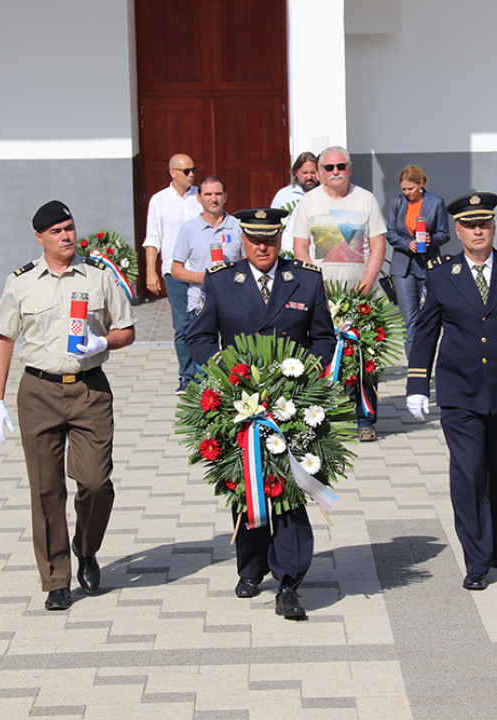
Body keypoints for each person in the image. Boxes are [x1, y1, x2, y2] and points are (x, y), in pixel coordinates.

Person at [0, 200, 137, 611]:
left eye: (69, 227)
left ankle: (86, 548)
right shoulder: (21, 282)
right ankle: (56, 579)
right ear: (40, 238)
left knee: (95, 483)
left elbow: (127, 330)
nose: (66, 236)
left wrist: (103, 341)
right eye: (55, 231)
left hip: (89, 390)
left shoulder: (99, 276)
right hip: (39, 391)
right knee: (46, 489)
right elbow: (3, 340)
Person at [187, 207, 336, 620]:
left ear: (280, 239)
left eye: (270, 239)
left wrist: (302, 373)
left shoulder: (305, 279)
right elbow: (198, 337)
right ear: (242, 240)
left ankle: (289, 580)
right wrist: (225, 369)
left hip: (291, 404)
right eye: (254, 240)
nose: (262, 247)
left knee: (288, 488)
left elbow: (324, 338)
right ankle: (251, 567)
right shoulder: (221, 280)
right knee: (249, 484)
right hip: (242, 404)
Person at [406, 192, 497, 591]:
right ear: (457, 231)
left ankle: (494, 539)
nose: (478, 231)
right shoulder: (440, 273)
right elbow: (425, 332)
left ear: (493, 227)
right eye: (470, 225)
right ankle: (476, 558)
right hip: (460, 389)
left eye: (484, 224)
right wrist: (417, 383)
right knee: (469, 471)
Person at [292, 146, 387, 442]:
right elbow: (300, 248)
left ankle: (364, 420)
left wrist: (366, 284)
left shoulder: (365, 199)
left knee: (363, 358)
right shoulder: (309, 202)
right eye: (329, 167)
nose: (336, 172)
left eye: (341, 166)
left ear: (350, 168)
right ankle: (323, 419)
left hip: (360, 298)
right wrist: (313, 288)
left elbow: (378, 244)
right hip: (320, 299)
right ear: (320, 172)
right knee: (321, 359)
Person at [142, 153, 201, 395]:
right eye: (186, 171)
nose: (191, 175)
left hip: (200, 271)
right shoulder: (159, 200)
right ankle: (187, 375)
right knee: (182, 325)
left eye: (193, 170)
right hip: (174, 272)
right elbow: (152, 239)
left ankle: (205, 375)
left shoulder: (201, 196)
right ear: (172, 173)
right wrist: (151, 272)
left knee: (202, 322)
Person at [171, 176, 242, 359]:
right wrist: (201, 277)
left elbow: (248, 262)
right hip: (200, 301)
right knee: (203, 356)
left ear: (225, 196)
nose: (213, 199)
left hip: (233, 301)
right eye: (208, 194)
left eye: (218, 194)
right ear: (198, 197)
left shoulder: (238, 226)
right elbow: (175, 270)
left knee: (236, 354)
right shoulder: (189, 229)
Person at [385, 165, 450, 359]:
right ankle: (414, 365)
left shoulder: (436, 202)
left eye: (411, 188)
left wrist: (431, 240)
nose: (407, 193)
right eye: (404, 189)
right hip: (402, 268)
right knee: (409, 319)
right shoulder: (397, 202)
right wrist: (407, 244)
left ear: (421, 183)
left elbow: (444, 234)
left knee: (427, 317)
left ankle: (426, 359)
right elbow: (391, 233)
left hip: (427, 266)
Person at [270, 151, 320, 243]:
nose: (309, 177)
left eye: (313, 172)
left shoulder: (323, 195)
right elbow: (272, 225)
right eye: (304, 173)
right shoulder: (283, 195)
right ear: (296, 172)